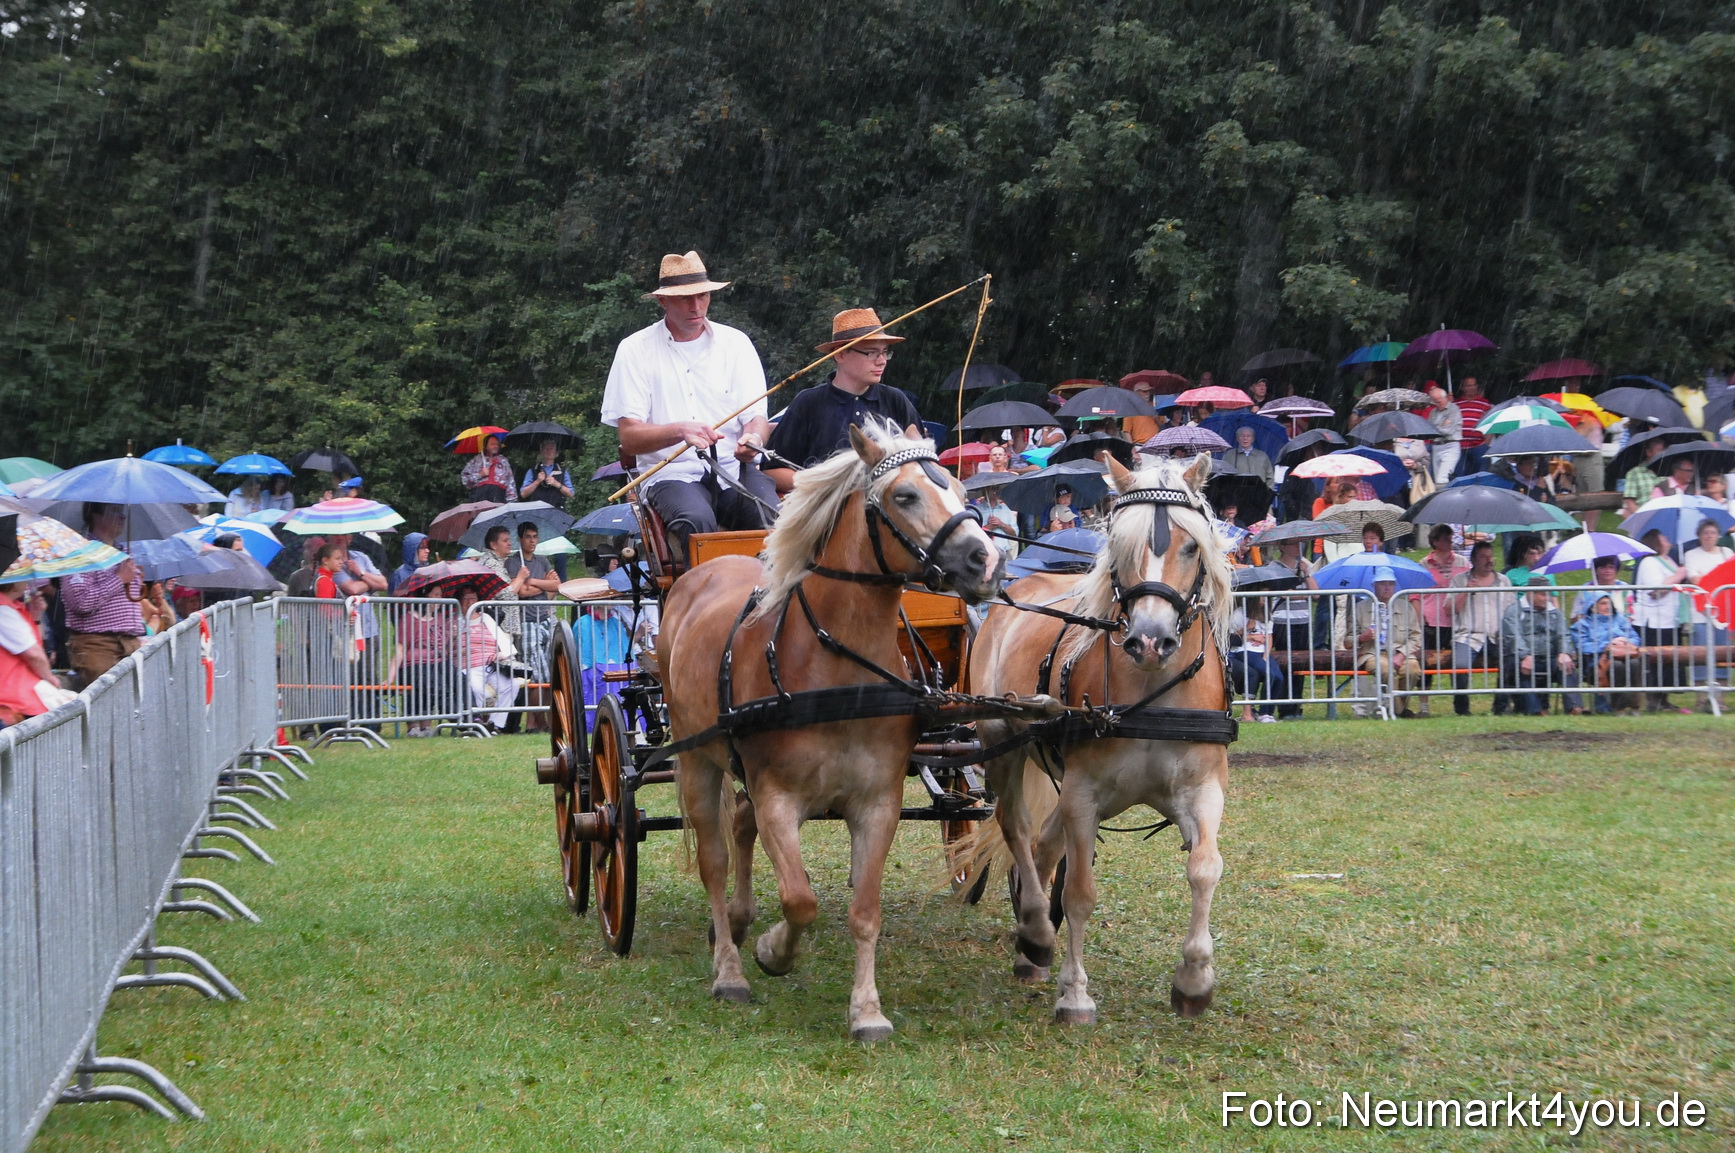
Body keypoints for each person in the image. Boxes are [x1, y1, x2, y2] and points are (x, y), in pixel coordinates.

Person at [600, 251, 777, 564]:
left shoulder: (736, 343)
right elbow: (629, 438)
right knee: (696, 522)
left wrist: (754, 440)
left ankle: (775, 604)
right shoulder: (634, 349)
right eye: (684, 299)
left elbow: (756, 419)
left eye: (702, 296)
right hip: (672, 473)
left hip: (733, 469)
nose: (696, 307)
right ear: (663, 301)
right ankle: (705, 606)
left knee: (775, 520)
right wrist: (680, 431)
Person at [765, 308, 920, 490]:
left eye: (885, 352)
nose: (882, 361)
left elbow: (921, 462)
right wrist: (827, 485)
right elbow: (772, 472)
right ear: (840, 354)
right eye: (871, 352)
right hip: (822, 514)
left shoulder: (896, 400)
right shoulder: (809, 402)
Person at [60, 503, 145, 687]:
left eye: (122, 511)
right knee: (108, 707)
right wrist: (119, 579)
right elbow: (80, 602)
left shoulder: (123, 553)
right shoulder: (80, 554)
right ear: (95, 516)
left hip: (129, 643)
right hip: (98, 646)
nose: (123, 516)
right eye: (115, 511)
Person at [1332, 567, 1423, 718]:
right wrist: (1363, 637)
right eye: (1382, 583)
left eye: (1391, 584)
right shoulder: (1360, 608)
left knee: (1413, 669)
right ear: (1374, 586)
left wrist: (1401, 655)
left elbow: (1416, 638)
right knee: (1386, 669)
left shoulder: (1406, 607)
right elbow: (1348, 642)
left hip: (1401, 651)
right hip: (1372, 653)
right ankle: (1398, 711)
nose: (1387, 587)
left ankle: (1396, 709)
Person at [1447, 541, 1515, 716]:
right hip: (1467, 636)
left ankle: (1500, 707)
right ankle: (1462, 710)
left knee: (1512, 660)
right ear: (1474, 560)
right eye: (1484, 557)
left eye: (1491, 556)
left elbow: (1512, 611)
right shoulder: (1459, 580)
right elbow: (1449, 609)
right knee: (1460, 665)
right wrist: (1465, 591)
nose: (1489, 560)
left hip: (1497, 636)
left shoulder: (1504, 581)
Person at [1499, 578, 1582, 716]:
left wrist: (1564, 652)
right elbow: (1513, 637)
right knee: (1520, 666)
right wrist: (1524, 655)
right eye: (1543, 594)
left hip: (1549, 657)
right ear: (1530, 593)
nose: (1547, 598)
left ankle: (1574, 707)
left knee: (1567, 664)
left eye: (1548, 594)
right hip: (1523, 657)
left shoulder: (1555, 613)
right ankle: (1535, 710)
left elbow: (1563, 635)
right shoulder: (1513, 611)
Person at [384, 581, 457, 737]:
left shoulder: (439, 618)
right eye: (436, 595)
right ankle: (414, 726)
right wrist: (391, 677)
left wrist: (452, 635)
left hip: (436, 662)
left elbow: (445, 646)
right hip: (413, 664)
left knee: (449, 678)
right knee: (425, 681)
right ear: (425, 596)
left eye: (440, 595)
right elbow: (400, 649)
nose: (440, 599)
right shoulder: (410, 619)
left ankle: (429, 724)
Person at [507, 522, 563, 720]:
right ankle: (535, 720)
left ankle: (544, 720)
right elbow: (521, 591)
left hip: (545, 618)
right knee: (537, 671)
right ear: (520, 539)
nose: (532, 541)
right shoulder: (514, 563)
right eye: (528, 536)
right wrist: (542, 584)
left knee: (550, 668)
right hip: (527, 620)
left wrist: (533, 582)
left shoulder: (543, 561)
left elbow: (557, 585)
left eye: (535, 536)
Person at [0, 580, 75, 727]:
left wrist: (35, 616)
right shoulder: (3, 610)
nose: (26, 582)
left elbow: (36, 646)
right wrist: (50, 678)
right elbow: (33, 653)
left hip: (18, 693)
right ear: (12, 583)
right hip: (13, 697)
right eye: (22, 578)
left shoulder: (12, 607)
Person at [1632, 528, 1689, 713]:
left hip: (1669, 619)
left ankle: (1665, 699)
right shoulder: (1649, 562)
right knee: (1655, 661)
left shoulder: (1668, 560)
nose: (1667, 538)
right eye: (1663, 537)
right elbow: (1655, 590)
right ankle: (1653, 700)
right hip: (1653, 621)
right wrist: (1679, 576)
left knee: (1670, 661)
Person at [456, 585, 521, 733]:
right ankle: (475, 724)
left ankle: (495, 724)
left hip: (492, 664)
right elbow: (451, 648)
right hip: (470, 665)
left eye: (473, 598)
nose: (469, 602)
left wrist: (504, 653)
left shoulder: (486, 618)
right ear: (459, 601)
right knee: (475, 688)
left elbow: (502, 640)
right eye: (465, 598)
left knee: (512, 685)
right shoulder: (456, 621)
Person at [1682, 517, 1733, 699]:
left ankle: (1721, 699)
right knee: (1701, 655)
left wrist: (1710, 580)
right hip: (1700, 613)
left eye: (1713, 533)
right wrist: (1716, 580)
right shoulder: (1691, 554)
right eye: (1705, 532)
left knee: (1723, 654)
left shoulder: (1726, 552)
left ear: (1719, 535)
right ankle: (1702, 699)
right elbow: (1695, 580)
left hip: (1722, 613)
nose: (1709, 536)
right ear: (1699, 535)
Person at [1572, 590, 1643, 715]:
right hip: (1596, 663)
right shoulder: (1581, 625)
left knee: (1634, 664)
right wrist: (1608, 645)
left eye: (1609, 603)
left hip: (1624, 656)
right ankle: (1619, 708)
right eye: (1603, 603)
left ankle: (1634, 706)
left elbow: (1635, 638)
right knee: (1617, 666)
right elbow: (1582, 646)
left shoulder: (1620, 619)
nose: (1607, 606)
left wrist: (1624, 641)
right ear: (1593, 607)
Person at [1227, 598, 1285, 723]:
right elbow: (1229, 637)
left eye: (1266, 597)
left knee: (1278, 677)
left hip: (1261, 653)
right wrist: (1248, 630)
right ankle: (1264, 713)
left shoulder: (1267, 615)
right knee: (1269, 674)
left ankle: (1268, 712)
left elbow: (1269, 637)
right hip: (1244, 651)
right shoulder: (1239, 614)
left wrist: (1265, 656)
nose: (1264, 599)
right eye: (1261, 596)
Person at [1620, 436, 1669, 517]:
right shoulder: (1635, 473)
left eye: (1664, 450)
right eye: (1660, 450)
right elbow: (1629, 501)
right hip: (1643, 517)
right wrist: (1640, 518)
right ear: (1649, 452)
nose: (1663, 454)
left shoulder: (1668, 471)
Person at [461, 434, 517, 503]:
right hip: (480, 496)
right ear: (486, 446)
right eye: (492, 444)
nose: (495, 446)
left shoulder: (503, 461)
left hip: (498, 496)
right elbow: (465, 481)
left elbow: (510, 481)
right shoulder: (476, 460)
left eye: (497, 444)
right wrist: (480, 475)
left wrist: (511, 502)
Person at [520, 439, 575, 510]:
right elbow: (523, 494)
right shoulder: (532, 470)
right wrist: (537, 481)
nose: (549, 451)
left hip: (557, 511)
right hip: (536, 511)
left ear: (556, 452)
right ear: (541, 451)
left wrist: (556, 484)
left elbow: (571, 494)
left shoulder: (562, 471)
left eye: (551, 448)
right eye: (546, 448)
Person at [1425, 384, 1462, 485]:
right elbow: (1429, 430)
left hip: (1450, 445)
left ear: (1445, 397)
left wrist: (1436, 428)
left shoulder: (1454, 409)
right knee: (1438, 479)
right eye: (1435, 402)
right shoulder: (1433, 412)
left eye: (1439, 401)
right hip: (1436, 446)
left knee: (1443, 478)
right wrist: (1441, 426)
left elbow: (1448, 431)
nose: (1437, 404)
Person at [972, 485, 1019, 562]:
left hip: (1004, 553)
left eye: (997, 489)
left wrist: (1001, 524)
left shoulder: (1005, 509)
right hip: (983, 554)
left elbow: (1014, 534)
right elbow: (972, 535)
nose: (995, 491)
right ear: (985, 491)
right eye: (992, 489)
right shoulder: (976, 511)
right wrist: (988, 527)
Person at [1456, 377, 1492, 475]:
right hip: (1460, 446)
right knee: (1460, 475)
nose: (1472, 387)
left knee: (1483, 474)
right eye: (1469, 385)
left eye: (1474, 385)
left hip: (1479, 445)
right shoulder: (1456, 404)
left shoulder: (1485, 403)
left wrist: (1486, 443)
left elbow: (1490, 423)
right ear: (1463, 388)